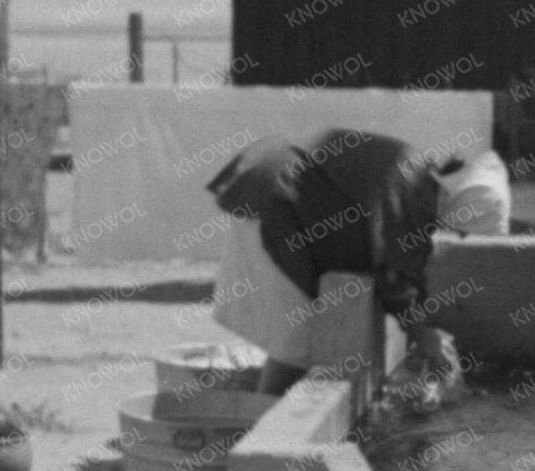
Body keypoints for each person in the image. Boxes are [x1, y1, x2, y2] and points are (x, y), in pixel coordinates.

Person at [204, 128, 508, 368]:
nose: (455, 235)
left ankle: (267, 413)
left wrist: (417, 327)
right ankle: (268, 430)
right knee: (297, 342)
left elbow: (398, 262)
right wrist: (421, 334)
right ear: (463, 208)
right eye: (461, 231)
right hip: (272, 200)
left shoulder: (418, 178)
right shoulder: (411, 187)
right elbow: (393, 273)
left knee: (296, 338)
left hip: (276, 193)